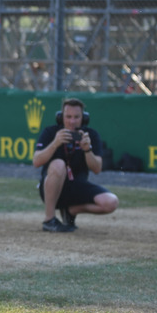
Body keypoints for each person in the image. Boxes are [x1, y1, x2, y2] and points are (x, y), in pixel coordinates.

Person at [32, 98, 118, 232]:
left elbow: (97, 169)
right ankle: (49, 220)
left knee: (111, 202)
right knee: (58, 164)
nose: (72, 121)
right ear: (61, 117)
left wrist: (87, 149)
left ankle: (70, 211)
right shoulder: (51, 132)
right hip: (51, 189)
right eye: (68, 117)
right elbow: (36, 161)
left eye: (77, 117)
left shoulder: (91, 135)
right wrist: (55, 143)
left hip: (77, 187)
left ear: (84, 118)